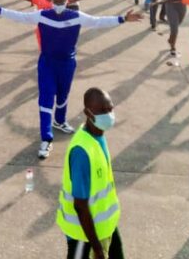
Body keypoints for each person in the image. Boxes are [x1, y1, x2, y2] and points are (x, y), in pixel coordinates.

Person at [0, 0, 141, 159]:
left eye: (62, 0)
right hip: (47, 64)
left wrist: (123, 19)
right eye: (56, 0)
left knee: (63, 96)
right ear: (50, 0)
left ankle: (60, 121)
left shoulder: (76, 16)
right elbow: (20, 16)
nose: (59, 4)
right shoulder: (42, 15)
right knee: (46, 100)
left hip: (67, 64)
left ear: (67, 0)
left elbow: (98, 21)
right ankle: (46, 139)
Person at [57, 87, 125, 259]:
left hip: (105, 226)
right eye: (103, 111)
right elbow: (80, 206)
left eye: (110, 108)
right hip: (83, 234)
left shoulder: (97, 135)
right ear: (88, 112)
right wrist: (97, 249)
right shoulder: (82, 152)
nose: (109, 114)